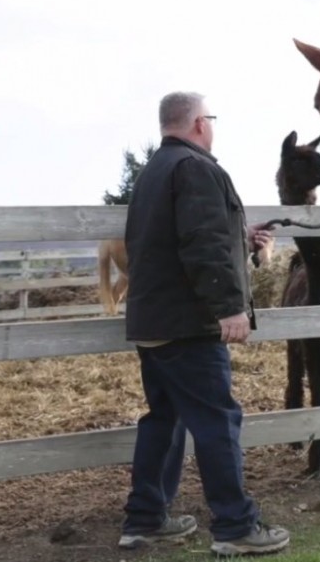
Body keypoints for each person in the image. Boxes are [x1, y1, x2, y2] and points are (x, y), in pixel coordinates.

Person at [117, 91, 289, 556]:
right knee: (217, 421)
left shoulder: (156, 170)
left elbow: (185, 236)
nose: (211, 126)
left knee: (164, 421)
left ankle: (145, 520)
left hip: (153, 322)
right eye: (209, 118)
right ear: (198, 123)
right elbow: (202, 244)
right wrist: (230, 307)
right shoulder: (196, 168)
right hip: (189, 325)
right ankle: (235, 526)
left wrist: (242, 237)